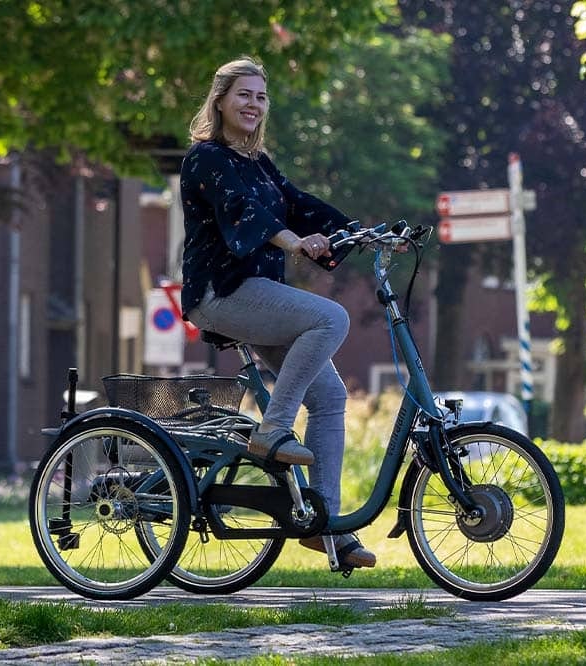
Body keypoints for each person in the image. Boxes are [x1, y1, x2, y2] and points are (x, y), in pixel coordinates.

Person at [179, 56, 375, 569]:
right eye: (244, 94)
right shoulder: (206, 159)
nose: (253, 104)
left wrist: (359, 232)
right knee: (331, 318)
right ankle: (273, 428)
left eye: (261, 97)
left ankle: (322, 523)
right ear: (219, 100)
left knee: (331, 397)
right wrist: (293, 243)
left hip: (256, 293)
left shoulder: (258, 162)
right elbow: (247, 213)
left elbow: (296, 202)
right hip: (220, 291)